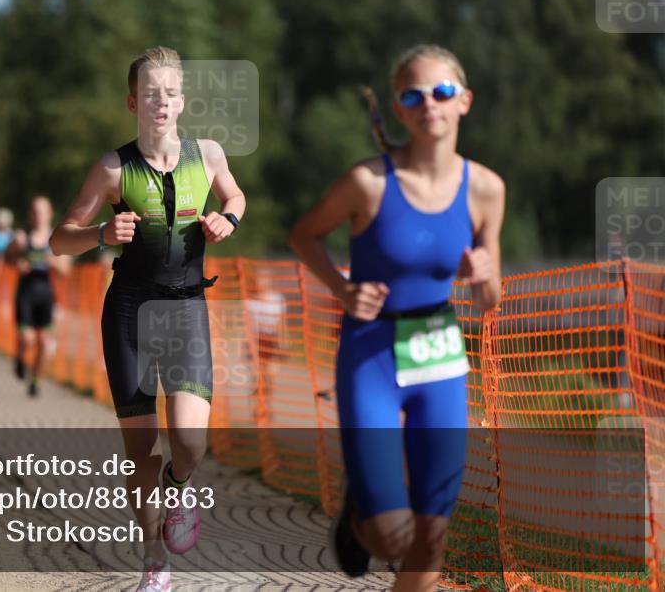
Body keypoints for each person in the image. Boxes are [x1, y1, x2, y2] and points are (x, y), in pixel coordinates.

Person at [289, 44, 505, 591]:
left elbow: (490, 298)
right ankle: (360, 520)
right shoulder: (368, 183)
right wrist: (341, 289)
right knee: (393, 538)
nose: (429, 102)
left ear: (464, 102)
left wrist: (484, 276)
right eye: (414, 94)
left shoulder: (485, 189)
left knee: (432, 534)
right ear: (400, 108)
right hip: (372, 355)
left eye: (442, 92)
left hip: (439, 355)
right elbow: (304, 235)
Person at [50, 46, 246, 592]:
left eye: (170, 93)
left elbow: (236, 194)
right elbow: (58, 238)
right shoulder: (112, 169)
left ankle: (178, 486)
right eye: (149, 93)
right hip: (131, 311)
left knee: (189, 441)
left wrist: (226, 218)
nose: (160, 102)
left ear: (182, 101)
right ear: (133, 100)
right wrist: (99, 236)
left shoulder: (206, 155)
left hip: (185, 309)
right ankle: (155, 555)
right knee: (140, 448)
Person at [6, 196, 69, 397]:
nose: (38, 216)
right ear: (29, 214)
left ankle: (36, 380)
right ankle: (19, 358)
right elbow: (8, 258)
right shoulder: (22, 237)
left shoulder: (56, 239)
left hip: (46, 295)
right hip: (25, 294)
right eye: (35, 211)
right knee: (27, 338)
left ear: (50, 214)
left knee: (43, 341)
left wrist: (55, 263)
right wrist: (18, 262)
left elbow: (66, 270)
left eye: (42, 211)